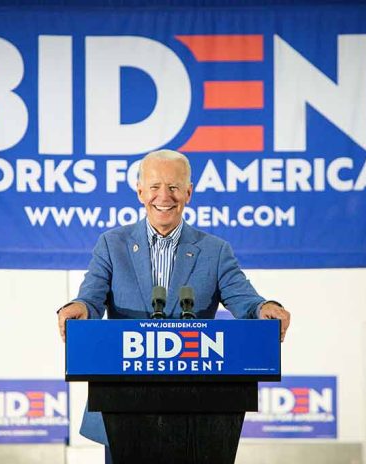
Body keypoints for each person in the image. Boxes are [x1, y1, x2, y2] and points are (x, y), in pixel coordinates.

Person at [57, 149, 290, 449]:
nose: (163, 196)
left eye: (173, 187)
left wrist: (265, 308)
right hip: (123, 407)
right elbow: (90, 299)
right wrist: (77, 308)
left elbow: (245, 300)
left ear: (188, 192)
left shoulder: (215, 251)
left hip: (197, 409)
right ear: (140, 192)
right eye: (154, 187)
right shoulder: (112, 244)